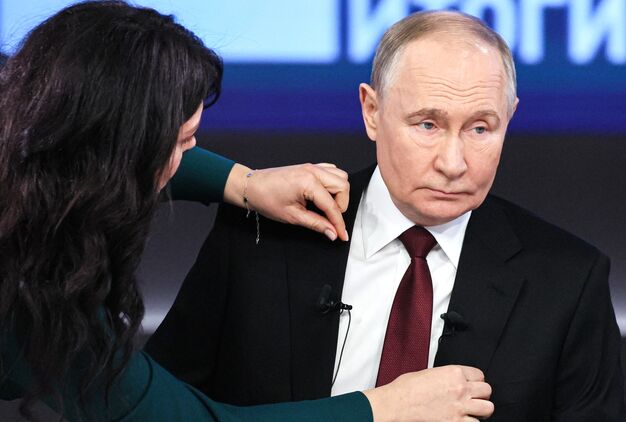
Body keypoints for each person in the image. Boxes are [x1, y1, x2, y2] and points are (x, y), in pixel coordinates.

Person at [0, 2, 495, 421]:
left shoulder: (27, 134)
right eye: (181, 142)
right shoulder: (30, 293)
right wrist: (378, 410)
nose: (451, 164)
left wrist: (243, 183)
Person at [148, 10, 626, 421]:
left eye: (481, 128)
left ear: (511, 117)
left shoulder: (568, 281)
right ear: (372, 111)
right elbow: (156, 408)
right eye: (428, 124)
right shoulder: (262, 234)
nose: (453, 163)